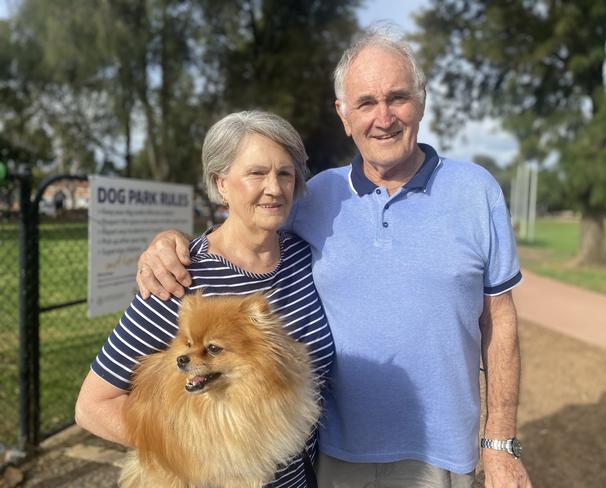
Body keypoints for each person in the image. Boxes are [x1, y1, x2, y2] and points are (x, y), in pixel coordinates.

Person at [136, 27, 532, 488]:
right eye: (365, 103)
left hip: (442, 450)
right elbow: (246, 221)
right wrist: (169, 239)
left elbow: (499, 319)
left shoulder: (476, 190)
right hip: (337, 451)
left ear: (421, 103)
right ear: (344, 116)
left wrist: (500, 442)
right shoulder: (318, 196)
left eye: (398, 98)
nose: (383, 117)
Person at [75, 111, 334, 488]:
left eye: (285, 173)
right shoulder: (178, 277)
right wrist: (201, 454)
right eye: (256, 173)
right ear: (221, 183)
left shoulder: (303, 256)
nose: (274, 188)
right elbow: (91, 408)